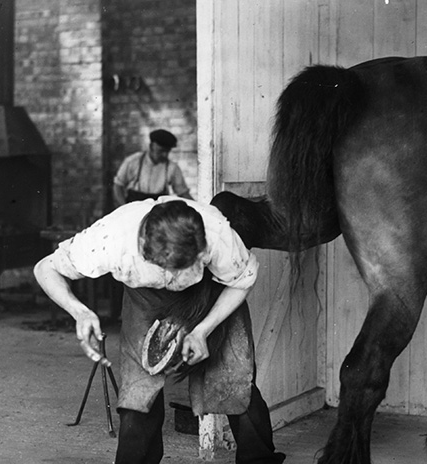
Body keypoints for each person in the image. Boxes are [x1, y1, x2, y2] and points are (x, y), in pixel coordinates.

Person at [33, 196, 285, 464]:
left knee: (234, 378)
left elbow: (242, 279)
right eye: (165, 271)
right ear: (144, 249)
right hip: (146, 298)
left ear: (201, 252)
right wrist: (80, 312)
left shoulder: (218, 234)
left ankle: (258, 460)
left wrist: (202, 330)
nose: (172, 279)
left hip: (208, 291)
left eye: (180, 271)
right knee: (138, 394)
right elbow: (45, 268)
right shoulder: (111, 238)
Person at [113, 129, 193, 206]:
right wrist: (125, 207)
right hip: (135, 209)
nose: (164, 155)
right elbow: (118, 185)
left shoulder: (172, 168)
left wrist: (199, 210)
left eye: (167, 151)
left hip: (157, 212)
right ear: (151, 146)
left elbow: (183, 193)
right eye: (161, 151)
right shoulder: (132, 161)